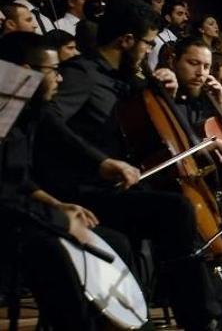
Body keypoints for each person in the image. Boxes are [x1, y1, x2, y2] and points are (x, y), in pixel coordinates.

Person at [35, 0, 222, 330]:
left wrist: (172, 96)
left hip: (123, 187)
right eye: (148, 43)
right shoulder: (82, 74)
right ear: (127, 40)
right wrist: (100, 161)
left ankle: (207, 314)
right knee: (175, 211)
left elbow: (162, 133)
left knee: (177, 211)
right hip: (85, 190)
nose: (150, 52)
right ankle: (203, 319)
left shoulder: (131, 82)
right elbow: (47, 121)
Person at [0, 31, 136, 330]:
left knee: (114, 243)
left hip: (22, 213)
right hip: (8, 225)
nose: (60, 80)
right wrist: (61, 222)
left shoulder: (27, 117)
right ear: (25, 72)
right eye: (53, 71)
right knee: (54, 252)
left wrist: (59, 205)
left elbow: (19, 180)